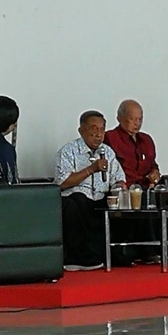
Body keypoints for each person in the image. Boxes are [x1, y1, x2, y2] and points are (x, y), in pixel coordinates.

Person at [55, 110, 126, 271]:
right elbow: (62, 183)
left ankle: (115, 254)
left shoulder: (107, 152)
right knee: (78, 199)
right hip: (76, 199)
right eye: (94, 129)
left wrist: (120, 187)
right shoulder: (68, 151)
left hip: (100, 198)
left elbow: (118, 178)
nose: (99, 134)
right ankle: (78, 258)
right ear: (81, 130)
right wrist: (91, 169)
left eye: (102, 129)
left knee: (120, 203)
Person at [104, 99, 162, 264]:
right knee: (141, 198)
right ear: (120, 118)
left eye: (140, 119)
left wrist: (155, 173)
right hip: (124, 189)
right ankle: (149, 250)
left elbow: (153, 165)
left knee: (167, 196)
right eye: (132, 119)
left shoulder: (146, 140)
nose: (137, 123)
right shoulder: (110, 138)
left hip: (146, 186)